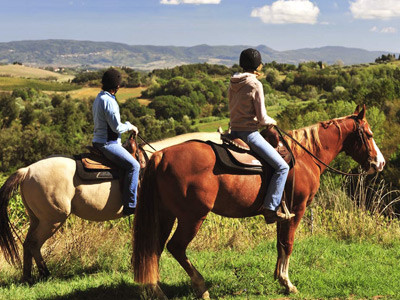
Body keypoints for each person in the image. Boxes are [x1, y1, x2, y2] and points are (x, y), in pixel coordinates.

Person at [228, 48, 295, 223]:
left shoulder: (233, 82)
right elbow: (262, 117)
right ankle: (271, 207)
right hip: (249, 133)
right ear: (257, 65)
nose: (262, 64)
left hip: (232, 131)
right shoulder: (255, 84)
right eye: (261, 62)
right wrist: (273, 122)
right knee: (282, 167)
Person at [92, 68, 139, 216]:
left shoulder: (99, 97)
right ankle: (131, 205)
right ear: (117, 86)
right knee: (134, 165)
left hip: (98, 141)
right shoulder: (109, 101)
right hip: (108, 144)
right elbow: (117, 127)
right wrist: (130, 126)